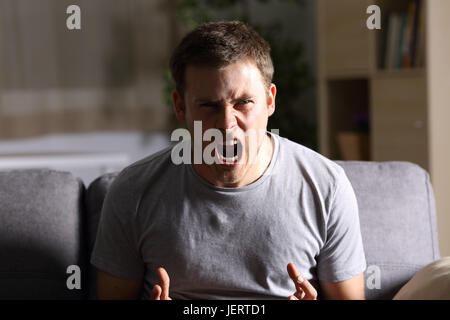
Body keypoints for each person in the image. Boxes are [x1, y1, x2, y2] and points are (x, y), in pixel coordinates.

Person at [90, 21, 367, 300]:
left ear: (270, 101)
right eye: (209, 105)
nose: (225, 123)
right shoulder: (133, 190)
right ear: (180, 106)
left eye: (243, 102)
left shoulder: (326, 187)